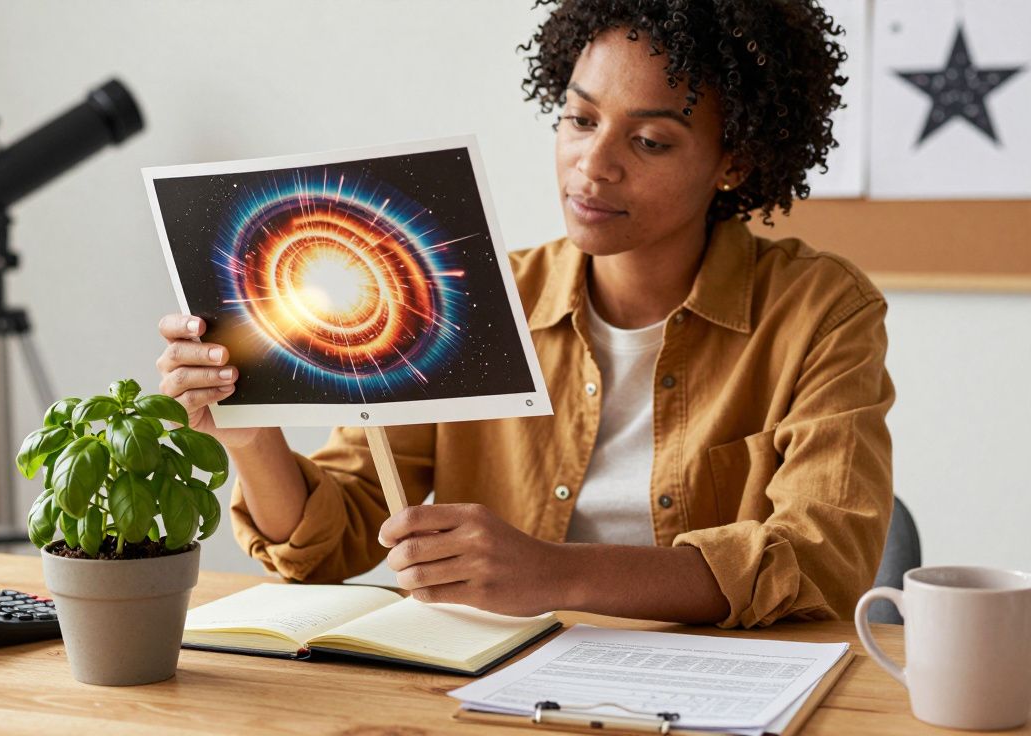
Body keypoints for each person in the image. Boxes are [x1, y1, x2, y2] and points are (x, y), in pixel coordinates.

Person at [156, 0, 893, 628]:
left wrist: (556, 574)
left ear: (736, 160)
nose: (593, 165)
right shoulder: (469, 296)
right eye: (578, 119)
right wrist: (254, 440)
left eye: (649, 141)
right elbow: (332, 541)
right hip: (491, 684)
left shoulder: (821, 311)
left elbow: (822, 560)